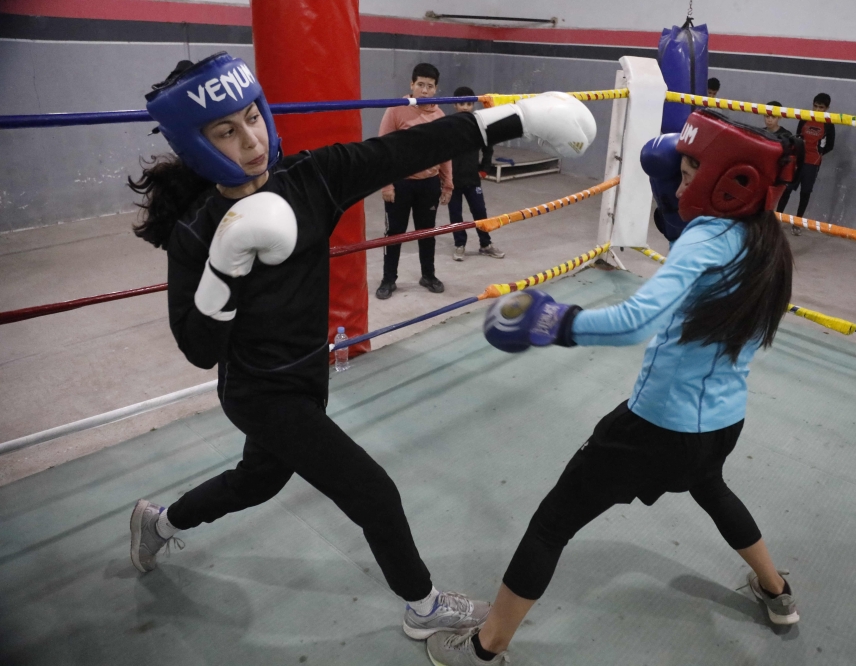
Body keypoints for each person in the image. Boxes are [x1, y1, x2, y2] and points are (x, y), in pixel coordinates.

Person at [125, 52, 596, 642]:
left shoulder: (312, 178)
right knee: (373, 492)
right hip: (258, 391)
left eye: (252, 117)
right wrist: (225, 265)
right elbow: (198, 349)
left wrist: (516, 118)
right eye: (225, 131)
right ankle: (422, 607)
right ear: (195, 142)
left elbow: (407, 151)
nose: (249, 140)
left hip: (307, 374)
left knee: (258, 480)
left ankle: (159, 522)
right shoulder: (198, 230)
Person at [428, 110, 801, 665]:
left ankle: (484, 649)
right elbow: (698, 262)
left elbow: (635, 321)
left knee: (551, 523)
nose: (680, 179)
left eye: (693, 169)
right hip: (722, 423)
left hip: (656, 427)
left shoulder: (706, 238)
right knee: (710, 488)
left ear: (731, 182)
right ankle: (776, 593)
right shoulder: (765, 241)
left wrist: (554, 321)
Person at [377, 63, 453, 299]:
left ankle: (428, 275)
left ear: (436, 89)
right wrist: (387, 184)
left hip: (428, 184)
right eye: (420, 84)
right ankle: (389, 280)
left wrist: (447, 183)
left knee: (426, 233)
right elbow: (383, 150)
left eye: (430, 86)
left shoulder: (440, 116)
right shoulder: (396, 110)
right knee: (395, 234)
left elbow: (445, 153)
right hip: (400, 184)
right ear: (411, 85)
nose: (425, 90)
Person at [449, 87, 504, 261]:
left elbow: (488, 147)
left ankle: (485, 244)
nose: (465, 107)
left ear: (473, 104)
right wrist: (443, 177)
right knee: (455, 214)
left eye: (469, 104)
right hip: (453, 181)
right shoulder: (448, 125)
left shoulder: (478, 125)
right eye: (461, 103)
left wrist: (484, 169)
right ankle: (459, 245)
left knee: (480, 212)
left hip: (473, 179)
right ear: (454, 105)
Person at [777, 93, 835, 235]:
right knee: (787, 189)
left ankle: (798, 222)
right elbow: (798, 137)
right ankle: (777, 219)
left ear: (827, 108)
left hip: (812, 164)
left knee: (805, 193)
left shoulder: (828, 124)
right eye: (815, 106)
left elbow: (830, 145)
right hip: (798, 160)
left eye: (821, 107)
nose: (817, 109)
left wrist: (818, 153)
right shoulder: (804, 118)